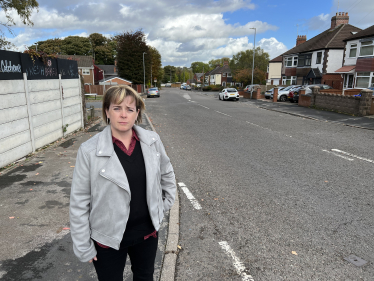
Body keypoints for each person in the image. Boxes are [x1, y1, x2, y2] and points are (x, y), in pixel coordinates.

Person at [70, 85, 176, 280]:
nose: (123, 115)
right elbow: (79, 201)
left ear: (137, 113)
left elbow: (166, 172)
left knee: (145, 277)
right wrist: (83, 244)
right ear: (107, 112)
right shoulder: (89, 151)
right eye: (117, 108)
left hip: (146, 234)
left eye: (130, 109)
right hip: (107, 239)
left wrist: (164, 204)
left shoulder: (152, 141)